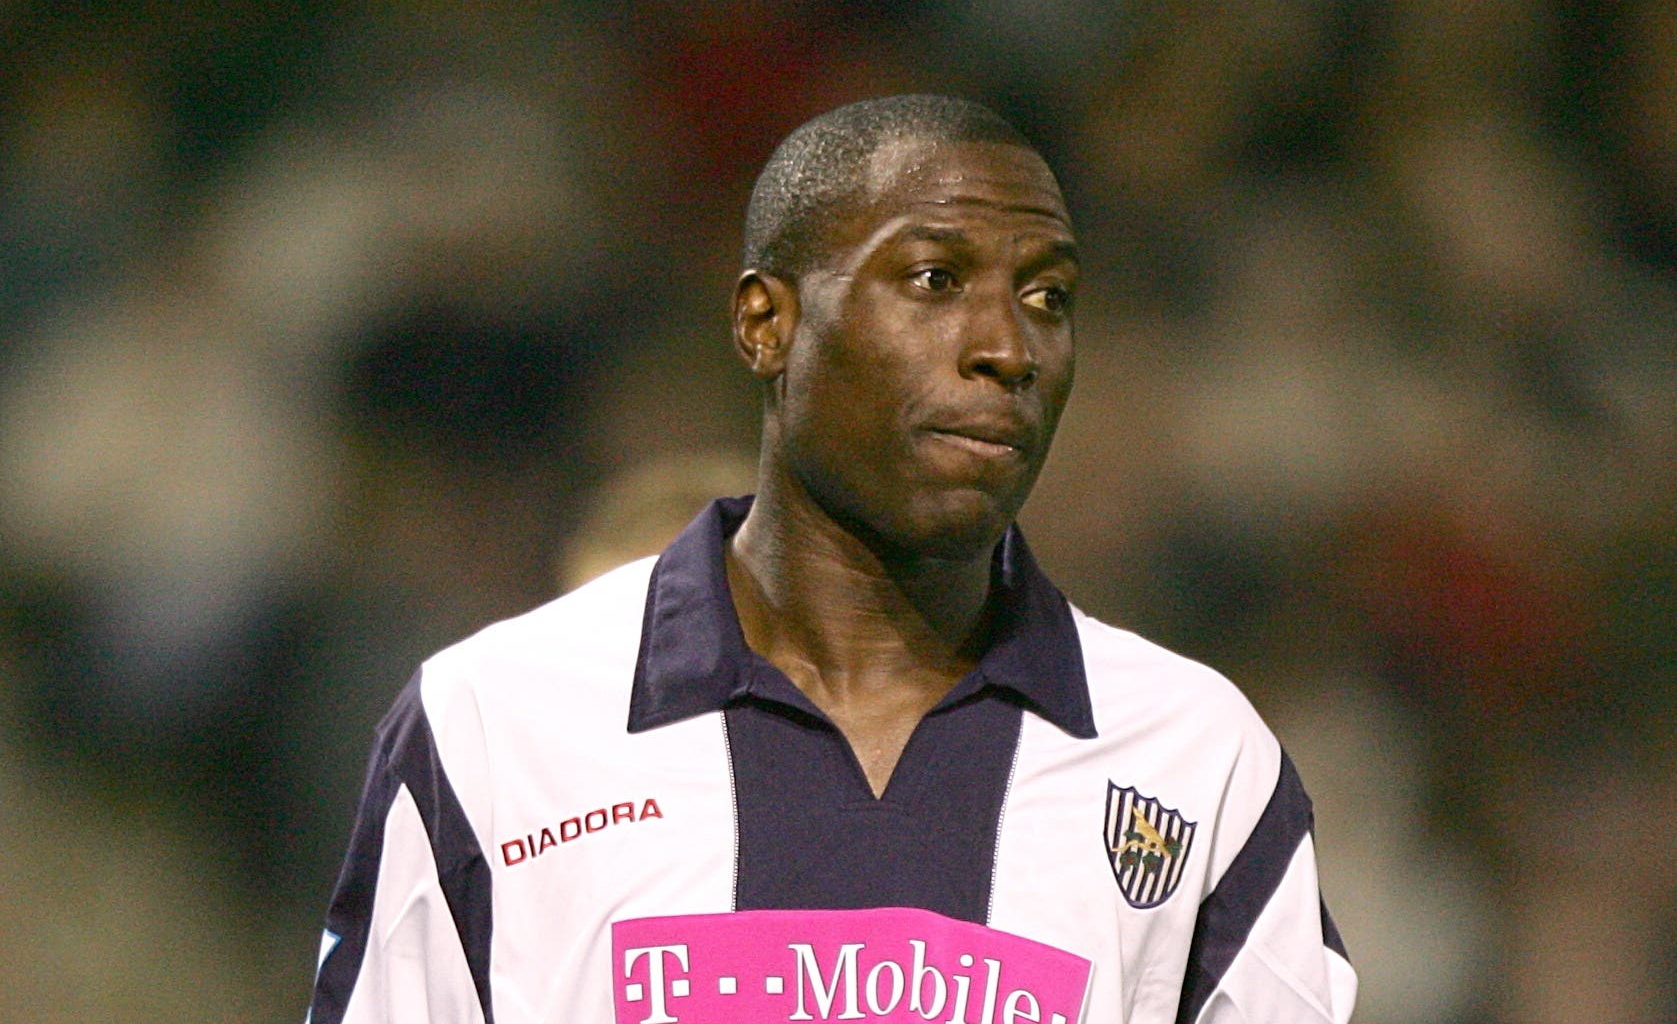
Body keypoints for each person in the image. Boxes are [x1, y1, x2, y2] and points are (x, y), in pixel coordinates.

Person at [305, 95, 1356, 1024]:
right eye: (935, 277)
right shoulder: (495, 723)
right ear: (767, 322)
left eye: (1048, 297)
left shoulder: (1191, 758)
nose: (1008, 346)